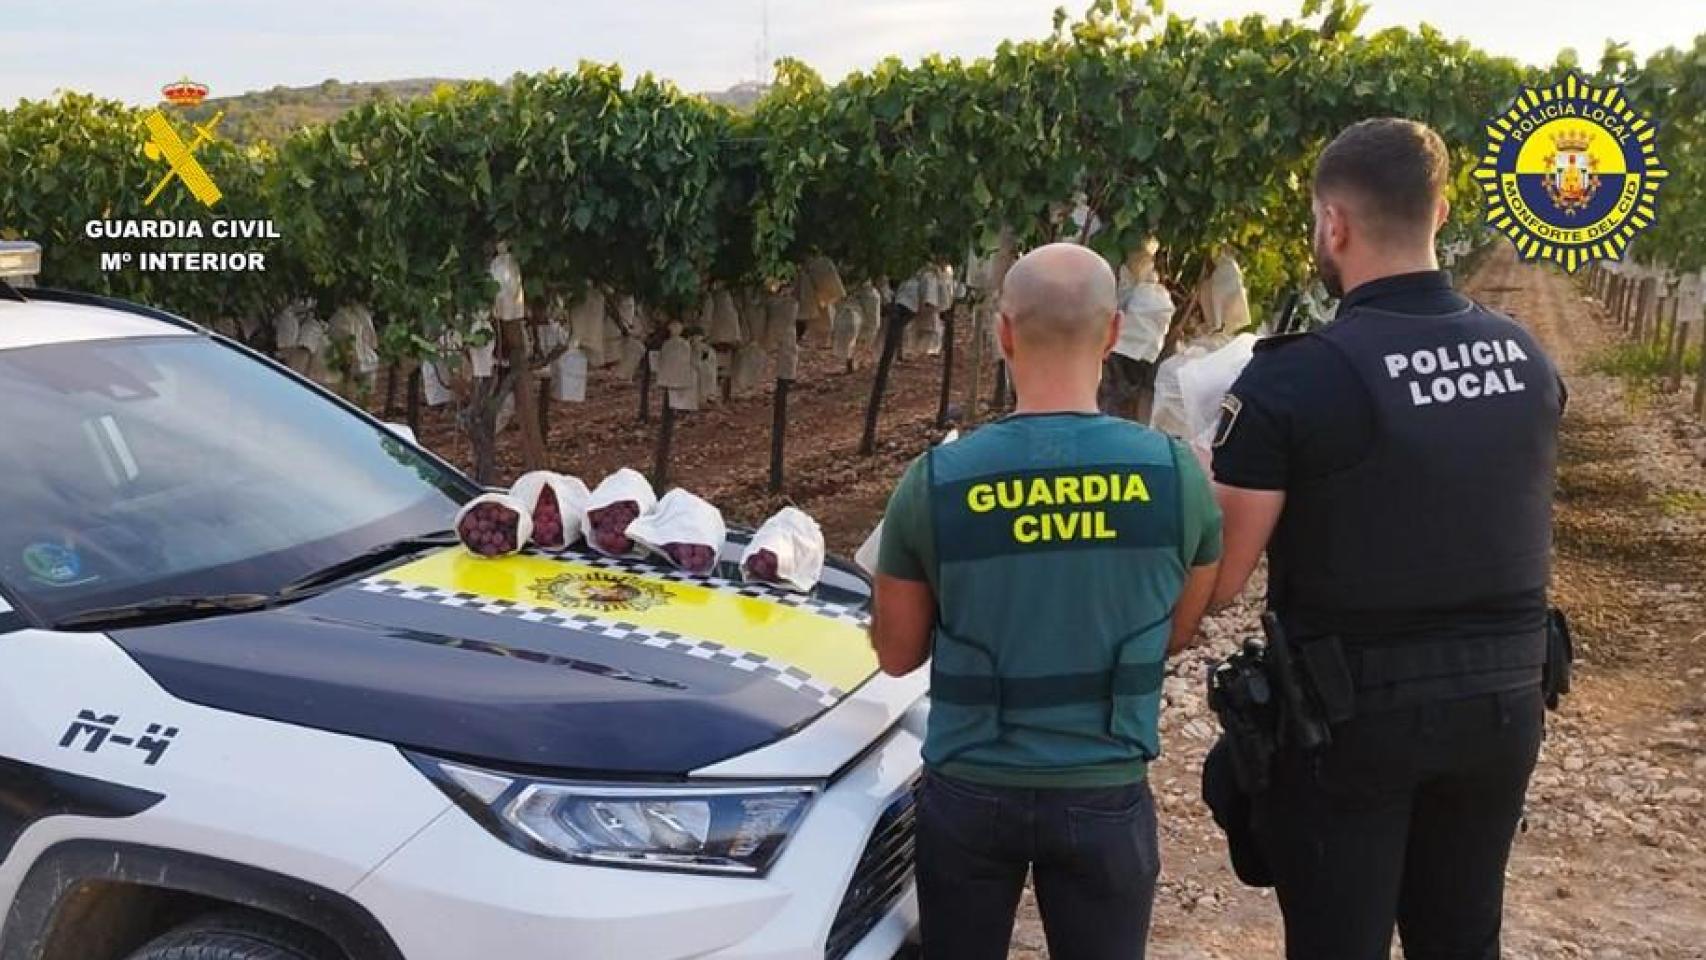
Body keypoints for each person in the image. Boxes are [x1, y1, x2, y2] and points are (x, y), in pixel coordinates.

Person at [1209, 118, 1565, 959]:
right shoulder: (1526, 357)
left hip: (1352, 724)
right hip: (1505, 708)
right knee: (1461, 937)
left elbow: (1222, 574)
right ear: (1440, 213)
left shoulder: (1296, 377)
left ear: (1333, 224)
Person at [870, 243, 1223, 960]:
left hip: (969, 793)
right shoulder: (1174, 476)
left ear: (1002, 332)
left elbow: (898, 653)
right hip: (1104, 793)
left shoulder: (935, 481)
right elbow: (1178, 630)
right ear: (1116, 331)